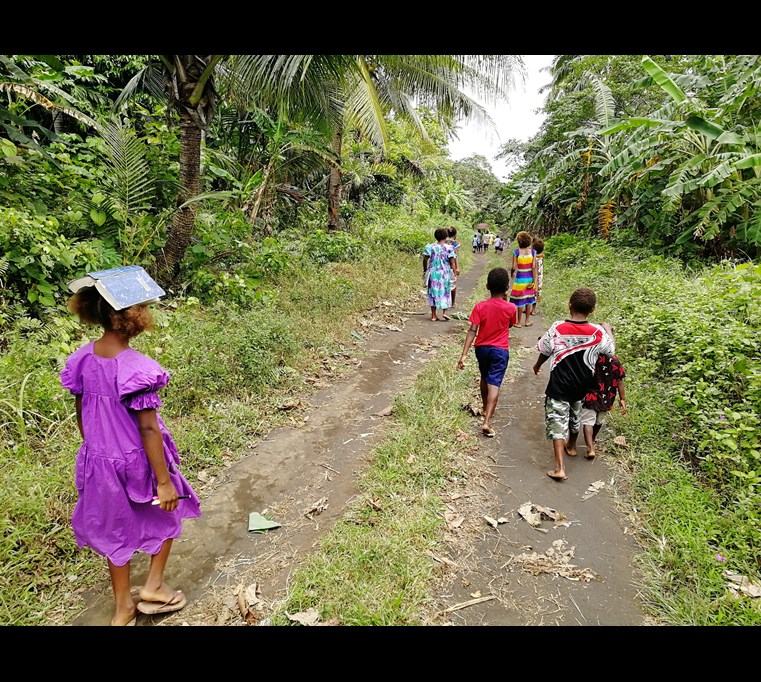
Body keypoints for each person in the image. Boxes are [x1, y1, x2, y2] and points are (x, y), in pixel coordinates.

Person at [60, 281, 201, 625]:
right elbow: (149, 429)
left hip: (99, 460)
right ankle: (153, 586)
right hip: (139, 460)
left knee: (112, 532)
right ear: (133, 317)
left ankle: (123, 606)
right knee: (168, 511)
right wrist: (164, 481)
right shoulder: (137, 368)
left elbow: (82, 412)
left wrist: (96, 447)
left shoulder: (81, 358)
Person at [533, 287, 614, 481]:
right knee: (575, 414)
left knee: (557, 420)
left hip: (559, 385)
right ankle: (571, 446)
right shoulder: (598, 332)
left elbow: (545, 350)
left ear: (569, 304)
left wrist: (537, 366)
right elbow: (610, 351)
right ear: (593, 310)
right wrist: (608, 328)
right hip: (582, 385)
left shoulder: (557, 328)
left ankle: (559, 468)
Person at [456, 267, 518, 438]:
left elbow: (472, 330)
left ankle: (485, 409)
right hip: (500, 350)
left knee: (485, 377)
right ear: (507, 288)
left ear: (487, 286)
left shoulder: (480, 306)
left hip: (481, 349)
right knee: (495, 383)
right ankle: (487, 422)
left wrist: (464, 354)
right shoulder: (511, 308)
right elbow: (511, 324)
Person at [581, 323, 627, 460]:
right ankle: (593, 441)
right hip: (608, 396)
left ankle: (589, 447)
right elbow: (620, 381)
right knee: (599, 421)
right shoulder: (615, 361)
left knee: (588, 421)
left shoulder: (591, 357)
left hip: (591, 393)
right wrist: (622, 399)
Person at [423, 227, 455, 321]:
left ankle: (433, 315)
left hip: (433, 273)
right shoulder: (449, 248)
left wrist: (425, 271)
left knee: (433, 292)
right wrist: (454, 273)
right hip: (444, 273)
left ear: (435, 237)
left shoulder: (430, 247)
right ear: (446, 237)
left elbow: (425, 259)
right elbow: (452, 262)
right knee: (445, 292)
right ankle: (444, 312)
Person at [509, 230, 538, 328]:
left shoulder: (516, 252)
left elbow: (513, 267)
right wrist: (534, 282)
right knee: (529, 300)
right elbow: (534, 266)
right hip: (529, 279)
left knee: (520, 301)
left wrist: (512, 274)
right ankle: (527, 320)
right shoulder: (533, 252)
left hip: (519, 279)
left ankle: (518, 322)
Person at [530, 237, 545, 316]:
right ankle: (533, 310)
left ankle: (527, 308)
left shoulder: (533, 258)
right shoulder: (542, 257)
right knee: (537, 292)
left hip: (532, 276)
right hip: (540, 277)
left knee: (530, 291)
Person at [447, 227, 461, 308]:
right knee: (453, 284)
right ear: (455, 235)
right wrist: (457, 268)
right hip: (452, 265)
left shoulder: (443, 241)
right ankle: (452, 303)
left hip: (443, 265)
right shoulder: (455, 243)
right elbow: (455, 256)